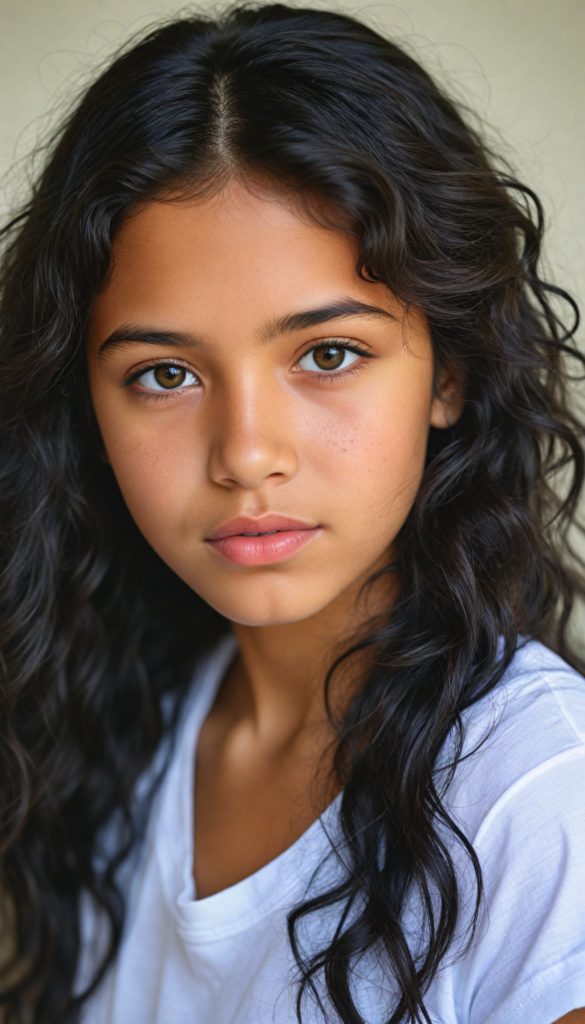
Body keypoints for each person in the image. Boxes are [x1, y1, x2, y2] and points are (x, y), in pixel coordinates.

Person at [0, 5, 584, 1022]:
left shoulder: (539, 800)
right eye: (166, 373)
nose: (247, 455)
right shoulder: (115, 728)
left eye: (327, 354)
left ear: (448, 370)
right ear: (83, 406)